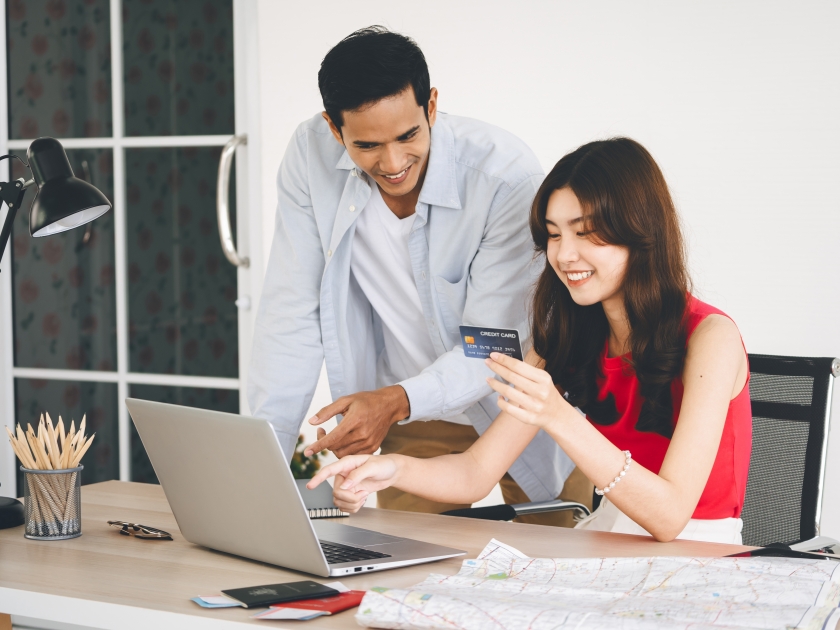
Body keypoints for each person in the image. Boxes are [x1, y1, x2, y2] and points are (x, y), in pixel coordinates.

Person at [308, 137, 752, 544]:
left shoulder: (712, 338)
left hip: (700, 550)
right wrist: (388, 469)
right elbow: (475, 473)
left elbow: (671, 516)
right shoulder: (569, 334)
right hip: (613, 539)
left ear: (639, 230)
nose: (564, 254)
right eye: (554, 234)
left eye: (584, 231)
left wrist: (558, 415)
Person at [248, 26, 591, 523]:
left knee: (561, 560)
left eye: (408, 135)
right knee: (412, 570)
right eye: (366, 145)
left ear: (431, 106)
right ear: (333, 127)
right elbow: (290, 314)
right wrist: (265, 467)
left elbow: (494, 346)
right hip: (413, 415)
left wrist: (394, 401)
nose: (393, 163)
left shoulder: (504, 177)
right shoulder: (309, 157)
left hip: (520, 406)